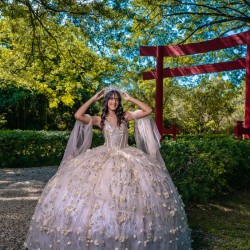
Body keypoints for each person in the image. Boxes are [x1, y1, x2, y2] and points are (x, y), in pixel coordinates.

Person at [24, 85, 192, 249]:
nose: (114, 102)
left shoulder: (125, 116)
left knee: (135, 194)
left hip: (128, 156)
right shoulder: (100, 119)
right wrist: (93, 98)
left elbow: (148, 111)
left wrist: (130, 98)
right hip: (105, 156)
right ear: (106, 101)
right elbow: (78, 115)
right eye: (111, 99)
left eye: (117, 99)